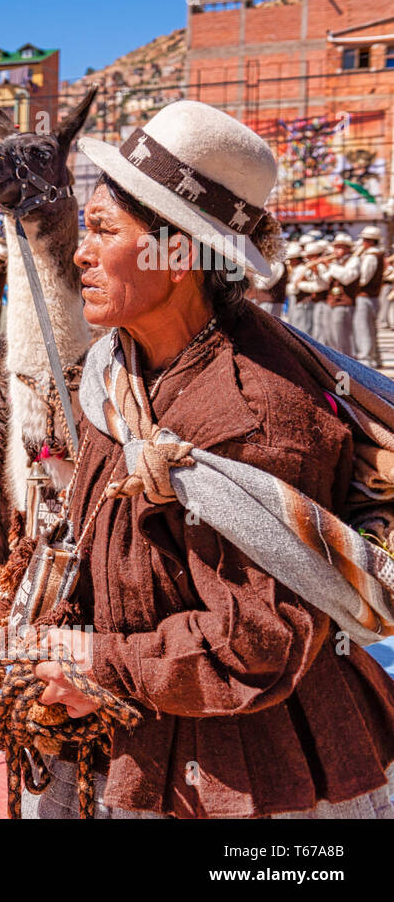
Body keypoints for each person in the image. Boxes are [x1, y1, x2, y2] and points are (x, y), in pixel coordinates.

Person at [26, 100, 394, 819]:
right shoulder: (114, 373)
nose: (81, 252)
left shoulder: (254, 415)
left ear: (181, 252)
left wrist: (94, 662)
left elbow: (257, 638)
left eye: (104, 230)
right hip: (131, 735)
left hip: (255, 780)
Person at [318, 233, 358, 356]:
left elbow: (347, 278)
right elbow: (326, 280)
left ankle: (347, 361)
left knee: (342, 337)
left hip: (344, 303)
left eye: (339, 247)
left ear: (347, 248)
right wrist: (318, 271)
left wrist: (330, 265)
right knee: (331, 336)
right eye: (335, 247)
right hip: (331, 302)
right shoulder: (336, 263)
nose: (336, 250)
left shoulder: (354, 260)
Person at [353, 226, 385, 369]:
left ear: (369, 241)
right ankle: (375, 358)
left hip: (365, 296)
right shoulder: (376, 254)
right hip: (372, 297)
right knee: (371, 329)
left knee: (364, 328)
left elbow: (363, 279)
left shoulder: (371, 256)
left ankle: (366, 359)